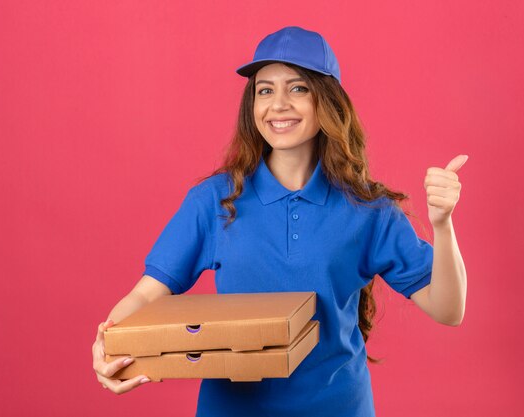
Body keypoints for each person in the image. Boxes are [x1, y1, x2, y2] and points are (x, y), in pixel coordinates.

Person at [92, 26, 468, 416]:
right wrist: (107, 341)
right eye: (265, 90)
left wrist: (443, 224)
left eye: (298, 88)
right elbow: (146, 294)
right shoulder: (216, 199)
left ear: (328, 101)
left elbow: (448, 309)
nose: (278, 104)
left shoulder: (368, 209)